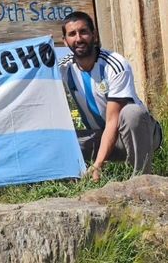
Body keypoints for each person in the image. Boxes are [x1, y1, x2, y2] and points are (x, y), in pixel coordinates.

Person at [59, 11, 162, 181]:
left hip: (135, 135)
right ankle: (69, 184)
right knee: (60, 139)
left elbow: (113, 121)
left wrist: (98, 164)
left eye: (83, 31)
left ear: (94, 34)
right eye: (72, 34)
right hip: (99, 136)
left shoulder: (115, 64)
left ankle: (141, 181)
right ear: (65, 41)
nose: (78, 38)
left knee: (132, 113)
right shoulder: (63, 69)